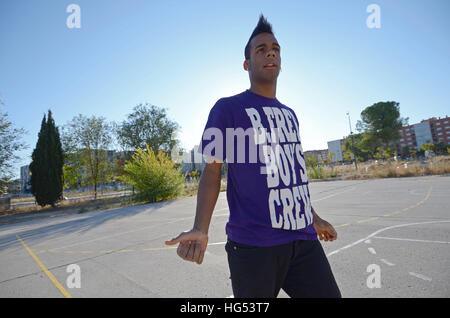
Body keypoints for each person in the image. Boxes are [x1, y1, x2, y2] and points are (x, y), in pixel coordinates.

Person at [165, 14, 341, 298]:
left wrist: (314, 218)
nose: (271, 51)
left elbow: (292, 176)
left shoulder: (290, 114)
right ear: (247, 64)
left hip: (303, 240)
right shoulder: (228, 108)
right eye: (261, 49)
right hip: (254, 246)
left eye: (275, 48)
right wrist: (200, 227)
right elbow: (211, 172)